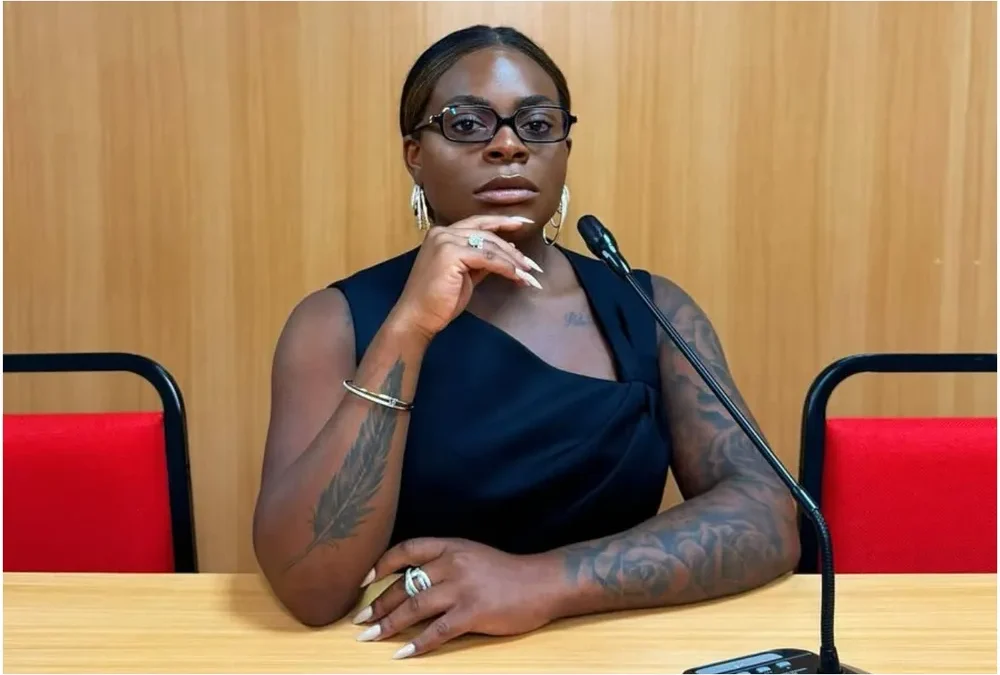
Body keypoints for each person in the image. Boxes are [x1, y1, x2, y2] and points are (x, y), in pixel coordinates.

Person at [252, 24, 799, 660]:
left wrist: (540, 582)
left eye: (537, 125)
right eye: (466, 124)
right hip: (414, 654)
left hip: (613, 649)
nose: (508, 145)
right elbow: (309, 587)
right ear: (414, 154)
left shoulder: (651, 309)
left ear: (565, 148)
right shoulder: (335, 322)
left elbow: (767, 516)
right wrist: (408, 328)